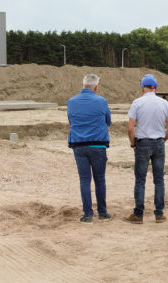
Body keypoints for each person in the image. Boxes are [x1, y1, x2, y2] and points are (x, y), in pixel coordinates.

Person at [124, 74, 168, 224]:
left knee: (140, 180)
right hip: (158, 143)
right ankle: (159, 213)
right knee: (159, 180)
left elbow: (130, 128)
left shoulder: (137, 103)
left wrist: (133, 144)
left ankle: (138, 214)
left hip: (143, 143)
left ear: (142, 88)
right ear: (155, 88)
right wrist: (163, 140)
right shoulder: (164, 103)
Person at [67, 73, 112, 223]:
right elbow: (108, 121)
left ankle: (87, 214)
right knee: (100, 180)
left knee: (84, 180)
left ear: (83, 85)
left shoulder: (71, 102)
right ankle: (103, 212)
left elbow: (70, 120)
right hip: (98, 145)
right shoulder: (102, 101)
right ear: (96, 87)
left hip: (79, 145)